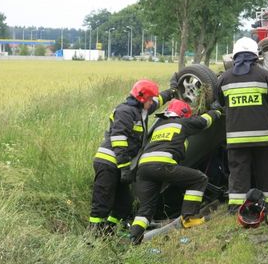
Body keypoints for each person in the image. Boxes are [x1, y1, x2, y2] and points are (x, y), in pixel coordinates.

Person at [88, 77, 177, 236]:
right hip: (108, 162)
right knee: (102, 201)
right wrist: (124, 168)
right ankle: (93, 234)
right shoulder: (125, 111)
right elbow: (119, 138)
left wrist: (171, 91)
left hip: (119, 165)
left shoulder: (141, 110)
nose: (152, 102)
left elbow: (158, 100)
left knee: (124, 204)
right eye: (150, 99)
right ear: (142, 99)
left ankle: (108, 231)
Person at [128, 99, 221, 244]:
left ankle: (134, 238)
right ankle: (189, 218)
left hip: (143, 169)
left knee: (146, 209)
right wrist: (216, 111)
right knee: (199, 179)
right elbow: (204, 122)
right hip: (162, 165)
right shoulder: (182, 123)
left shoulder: (159, 128)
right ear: (182, 114)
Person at [217, 37, 268, 215]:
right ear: (255, 56)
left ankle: (237, 209)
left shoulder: (224, 79)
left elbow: (220, 103)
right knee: (267, 172)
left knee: (238, 174)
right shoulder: (264, 76)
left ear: (235, 56)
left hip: (236, 139)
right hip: (263, 138)